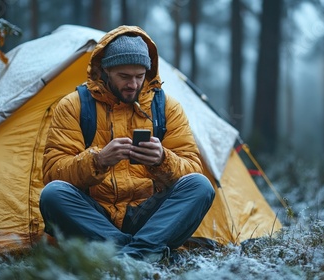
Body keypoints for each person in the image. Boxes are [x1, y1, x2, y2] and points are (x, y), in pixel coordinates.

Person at [39, 25, 215, 262]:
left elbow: (192, 169)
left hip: (149, 216)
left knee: (200, 186)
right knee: (52, 194)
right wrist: (98, 161)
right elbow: (53, 173)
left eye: (139, 76)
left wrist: (163, 160)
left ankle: (124, 257)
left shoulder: (167, 108)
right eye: (124, 77)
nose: (133, 84)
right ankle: (141, 253)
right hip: (95, 217)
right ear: (106, 71)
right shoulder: (74, 106)